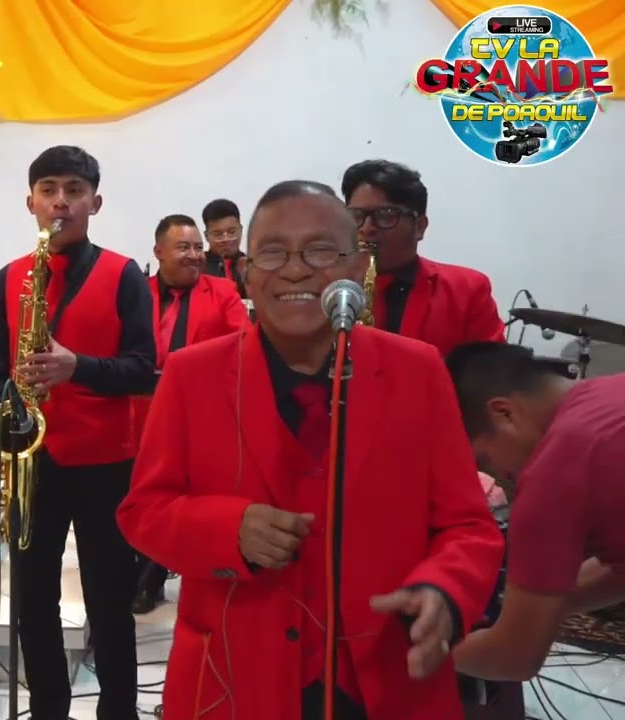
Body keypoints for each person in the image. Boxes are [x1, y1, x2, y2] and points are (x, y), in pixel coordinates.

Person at [118, 180, 504, 720]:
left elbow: (468, 525)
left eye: (320, 251)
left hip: (387, 671)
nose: (295, 270)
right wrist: (228, 529)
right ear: (247, 271)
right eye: (273, 252)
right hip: (236, 676)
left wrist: (444, 591)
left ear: (357, 267)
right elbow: (144, 513)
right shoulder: (190, 375)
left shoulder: (417, 370)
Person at [0, 145, 154, 720]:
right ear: (30, 201)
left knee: (110, 601)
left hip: (106, 464)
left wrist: (77, 367)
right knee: (33, 602)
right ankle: (48, 708)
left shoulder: (125, 275)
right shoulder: (8, 278)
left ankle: (119, 710)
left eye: (74, 191)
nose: (61, 202)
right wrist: (11, 418)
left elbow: (142, 370)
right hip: (35, 463)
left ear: (94, 203)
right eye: (49, 189)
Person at [445, 341, 625, 682]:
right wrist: (535, 602)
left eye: (484, 460)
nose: (497, 475)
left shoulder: (556, 467)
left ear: (504, 412)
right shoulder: (611, 392)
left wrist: (422, 654)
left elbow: (512, 658)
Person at [130, 213, 247, 614]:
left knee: (179, 497)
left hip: (200, 411)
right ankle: (142, 570)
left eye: (198, 247)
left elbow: (243, 346)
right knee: (141, 496)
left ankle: (149, 579)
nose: (196, 255)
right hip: (139, 410)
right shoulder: (139, 292)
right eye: (184, 247)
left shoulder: (224, 292)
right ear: (159, 252)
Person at [341, 160, 504, 355]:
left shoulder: (467, 289)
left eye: (386, 215)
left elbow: (492, 369)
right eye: (356, 215)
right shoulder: (327, 286)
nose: (367, 228)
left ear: (419, 227)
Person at [201, 198, 249, 298]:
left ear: (241, 230)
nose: (226, 239)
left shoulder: (252, 265)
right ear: (206, 236)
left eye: (232, 232)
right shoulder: (197, 267)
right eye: (218, 234)